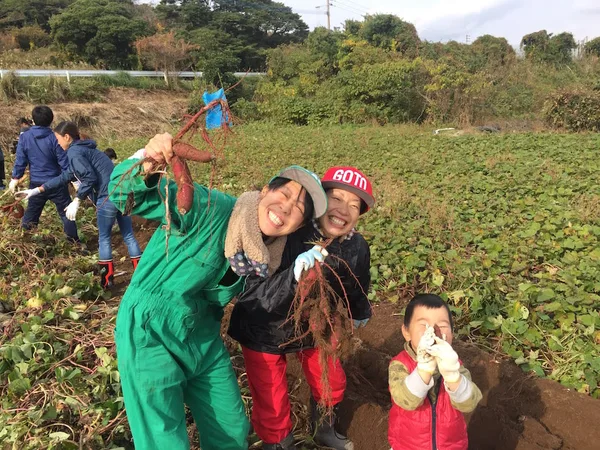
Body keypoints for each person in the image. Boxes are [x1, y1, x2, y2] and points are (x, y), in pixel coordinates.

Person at [107, 132, 328, 450]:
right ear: (265, 190)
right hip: (150, 328)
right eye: (285, 194)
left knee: (231, 426)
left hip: (202, 335)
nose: (287, 207)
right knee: (163, 436)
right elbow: (124, 193)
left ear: (298, 225)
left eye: (300, 209)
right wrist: (148, 159)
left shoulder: (266, 256)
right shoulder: (210, 207)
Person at [228, 166, 375, 450]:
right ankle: (279, 443)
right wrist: (294, 277)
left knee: (330, 375)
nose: (343, 209)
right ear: (318, 201)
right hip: (264, 324)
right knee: (270, 392)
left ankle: (324, 428)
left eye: (354, 205)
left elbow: (358, 282)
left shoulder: (356, 246)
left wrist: (359, 311)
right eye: (336, 198)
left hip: (316, 322)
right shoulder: (290, 231)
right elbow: (257, 295)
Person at [17, 121, 142, 289]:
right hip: (124, 195)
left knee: (104, 238)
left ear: (67, 137)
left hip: (107, 197)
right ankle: (141, 277)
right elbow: (67, 175)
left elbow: (90, 178)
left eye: (58, 139)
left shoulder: (74, 152)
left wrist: (77, 199)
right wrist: (37, 190)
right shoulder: (88, 148)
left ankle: (107, 282)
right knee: (128, 235)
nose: (58, 143)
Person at [388, 294, 482, 450]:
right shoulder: (400, 364)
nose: (433, 331)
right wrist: (424, 368)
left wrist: (452, 375)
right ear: (406, 332)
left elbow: (468, 403)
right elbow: (407, 400)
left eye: (443, 326)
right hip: (406, 445)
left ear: (452, 333)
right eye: (423, 325)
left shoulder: (455, 365)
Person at [9, 106, 79, 243]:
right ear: (51, 120)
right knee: (66, 214)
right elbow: (64, 161)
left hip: (36, 184)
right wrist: (74, 180)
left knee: (31, 216)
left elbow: (21, 160)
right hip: (57, 182)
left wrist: (15, 178)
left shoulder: (25, 137)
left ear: (33, 120)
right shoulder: (55, 137)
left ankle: (26, 244)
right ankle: (74, 243)